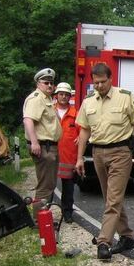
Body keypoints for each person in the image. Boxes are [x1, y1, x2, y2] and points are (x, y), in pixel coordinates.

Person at [75, 63, 134, 261]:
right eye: (95, 82)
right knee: (110, 197)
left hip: (120, 153)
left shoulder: (125, 97)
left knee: (113, 199)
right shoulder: (89, 102)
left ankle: (104, 241)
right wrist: (80, 157)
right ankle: (127, 237)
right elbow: (84, 131)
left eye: (102, 82)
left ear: (111, 79)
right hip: (98, 153)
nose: (98, 86)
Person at [23, 68, 62, 222]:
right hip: (43, 146)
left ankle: (42, 217)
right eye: (46, 82)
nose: (50, 85)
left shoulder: (46, 99)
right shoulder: (37, 98)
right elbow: (28, 120)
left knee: (49, 183)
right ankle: (40, 221)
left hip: (49, 146)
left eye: (52, 83)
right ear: (38, 83)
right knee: (45, 185)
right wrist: (34, 142)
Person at [54, 82, 79, 223]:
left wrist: (80, 137)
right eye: (61, 94)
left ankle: (67, 213)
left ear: (70, 97)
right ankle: (44, 214)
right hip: (51, 154)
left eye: (66, 94)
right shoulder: (50, 111)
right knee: (48, 186)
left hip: (69, 157)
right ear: (56, 96)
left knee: (68, 188)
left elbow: (84, 131)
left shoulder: (75, 114)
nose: (63, 97)